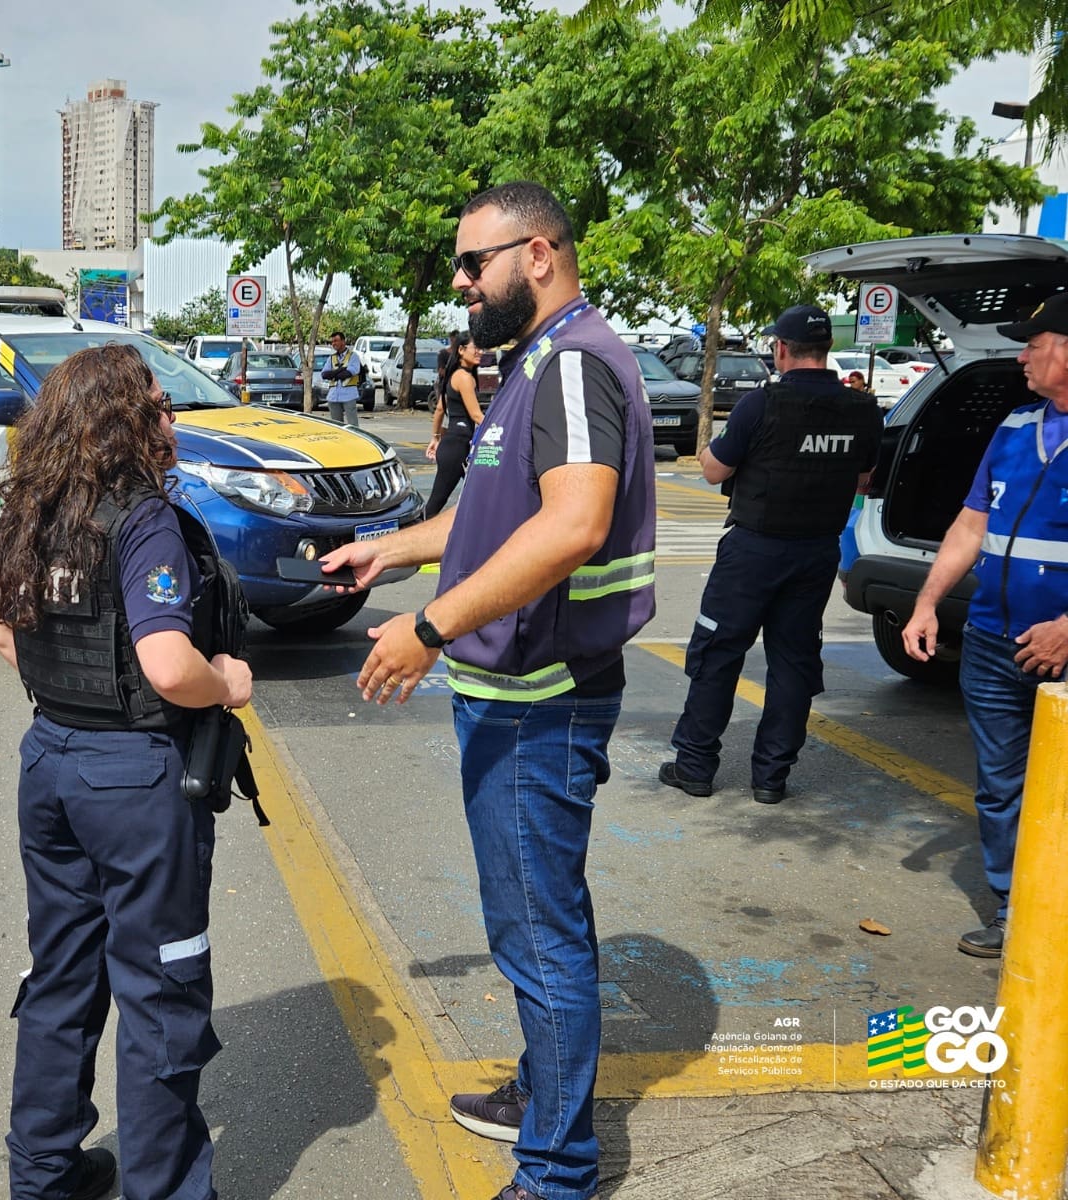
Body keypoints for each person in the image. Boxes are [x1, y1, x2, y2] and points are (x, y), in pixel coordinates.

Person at [324, 181, 657, 1200]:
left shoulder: (569, 366)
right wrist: (391, 548)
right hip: (522, 693)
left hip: (540, 701)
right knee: (537, 918)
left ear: (541, 254)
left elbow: (570, 528)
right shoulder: (533, 368)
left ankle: (555, 1171)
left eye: (477, 263)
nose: (463, 283)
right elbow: (490, 518)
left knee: (536, 931)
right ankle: (541, 1092)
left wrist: (427, 627)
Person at [0, 343, 252, 1200]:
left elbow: (3, 635)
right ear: (124, 420)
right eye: (160, 407)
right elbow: (171, 666)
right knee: (162, 991)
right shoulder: (141, 518)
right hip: (135, 780)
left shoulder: (36, 503)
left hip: (52, 762)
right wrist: (231, 683)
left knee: (61, 974)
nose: (172, 422)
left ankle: (45, 1171)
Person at [658, 306, 881, 806]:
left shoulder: (761, 405)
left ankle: (695, 766)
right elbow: (865, 479)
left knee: (718, 653)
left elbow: (714, 471)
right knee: (793, 663)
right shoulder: (863, 409)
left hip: (754, 549)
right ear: (824, 351)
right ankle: (771, 778)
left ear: (781, 349)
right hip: (817, 550)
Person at [901, 293, 1068, 958]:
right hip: (995, 642)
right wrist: (926, 600)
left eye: (1033, 343)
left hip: (1061, 649)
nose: (1021, 356)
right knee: (1000, 785)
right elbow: (972, 524)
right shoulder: (1013, 426)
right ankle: (1015, 910)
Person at [424, 336, 485, 517]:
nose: (479, 352)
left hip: (455, 446)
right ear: (461, 350)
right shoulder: (464, 378)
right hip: (456, 449)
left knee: (478, 496)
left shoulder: (455, 375)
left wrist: (435, 437)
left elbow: (440, 409)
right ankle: (413, 535)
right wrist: (503, 430)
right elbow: (476, 415)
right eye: (475, 348)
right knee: (435, 504)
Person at [322, 329, 362, 427]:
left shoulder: (353, 356)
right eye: (332, 341)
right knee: (336, 426)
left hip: (349, 395)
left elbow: (349, 373)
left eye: (336, 341)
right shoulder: (331, 358)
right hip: (333, 396)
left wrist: (333, 374)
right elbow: (324, 375)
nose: (333, 343)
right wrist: (340, 369)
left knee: (352, 425)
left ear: (343, 341)